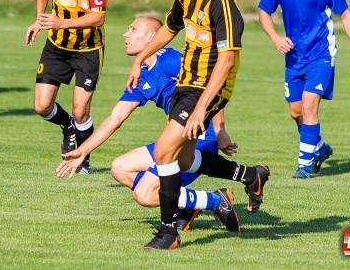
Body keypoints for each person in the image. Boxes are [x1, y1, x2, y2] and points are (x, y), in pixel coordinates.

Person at [56, 16, 269, 233]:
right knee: (119, 168)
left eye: (133, 29)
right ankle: (201, 202)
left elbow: (210, 84)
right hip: (176, 138)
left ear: (151, 37)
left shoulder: (170, 60)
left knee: (144, 194)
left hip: (199, 134)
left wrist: (220, 128)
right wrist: (82, 150)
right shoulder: (140, 75)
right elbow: (115, 118)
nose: (125, 34)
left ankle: (215, 199)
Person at [125, 0, 246, 250]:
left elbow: (226, 62)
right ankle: (242, 178)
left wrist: (203, 109)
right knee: (183, 158)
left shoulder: (224, 4)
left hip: (208, 88)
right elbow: (168, 29)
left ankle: (169, 232)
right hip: (186, 84)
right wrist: (140, 60)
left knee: (165, 150)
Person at [257, 0, 350, 178]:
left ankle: (304, 166)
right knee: (295, 112)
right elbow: (264, 12)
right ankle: (318, 147)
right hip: (294, 57)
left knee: (308, 106)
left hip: (321, 54)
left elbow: (346, 15)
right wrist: (275, 38)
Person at [25, 0, 107, 174]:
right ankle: (67, 125)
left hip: (87, 49)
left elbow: (98, 17)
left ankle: (83, 160)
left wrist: (62, 23)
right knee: (41, 106)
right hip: (57, 46)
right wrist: (40, 19)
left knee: (81, 110)